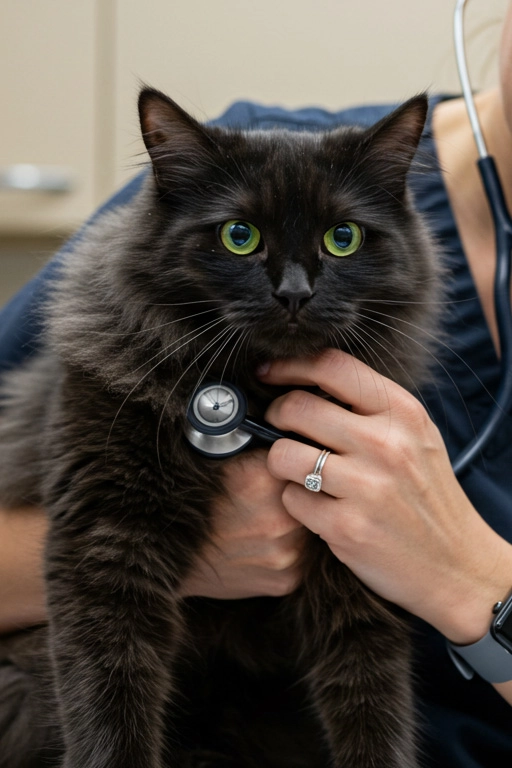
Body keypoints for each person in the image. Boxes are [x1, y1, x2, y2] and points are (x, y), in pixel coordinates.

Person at [1, 2, 512, 764]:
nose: (296, 290)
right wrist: (188, 559)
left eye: (344, 240)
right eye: (240, 238)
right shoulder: (243, 150)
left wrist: (472, 579)